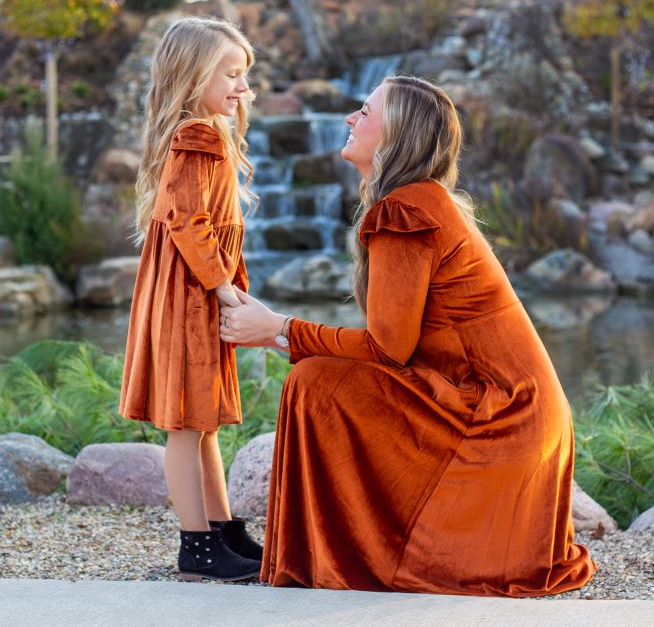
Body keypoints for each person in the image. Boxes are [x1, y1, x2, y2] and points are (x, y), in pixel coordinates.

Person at [219, 75, 596, 596]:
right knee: (322, 377)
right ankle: (346, 551)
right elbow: (396, 349)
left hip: (498, 419)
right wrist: (281, 331)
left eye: (365, 112)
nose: (350, 119)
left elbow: (385, 350)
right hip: (516, 413)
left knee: (315, 384)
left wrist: (279, 329)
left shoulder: (406, 210)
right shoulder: (424, 201)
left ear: (398, 135)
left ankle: (346, 556)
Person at [118, 17, 262, 582]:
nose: (242, 88)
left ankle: (223, 530)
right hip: (190, 295)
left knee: (202, 422)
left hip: (190, 291)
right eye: (230, 74)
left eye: (244, 76)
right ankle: (197, 547)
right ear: (191, 74)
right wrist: (225, 289)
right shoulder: (196, 136)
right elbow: (188, 223)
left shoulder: (201, 132)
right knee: (186, 424)